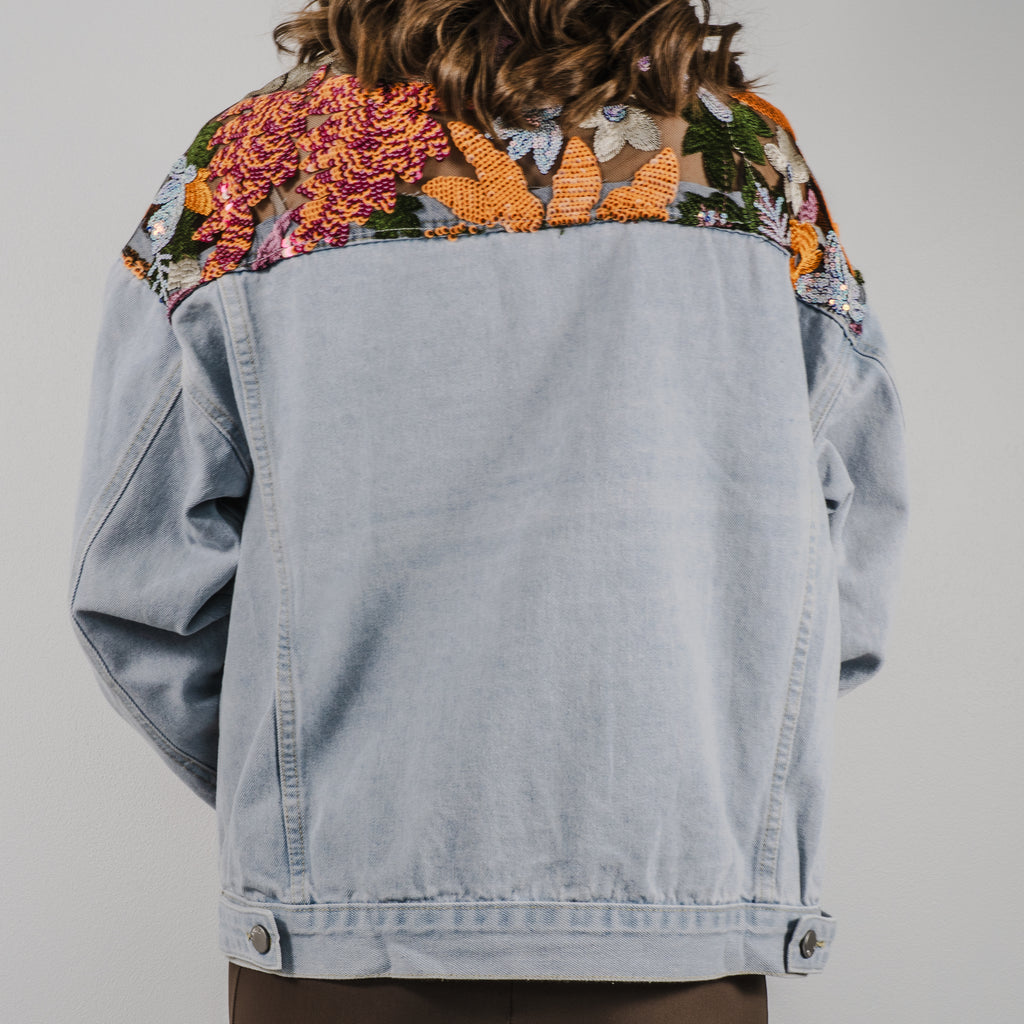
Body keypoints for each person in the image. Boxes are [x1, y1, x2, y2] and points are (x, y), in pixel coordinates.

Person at [67, 1, 910, 1021]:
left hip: (342, 940)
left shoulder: (253, 165)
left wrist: (306, 785)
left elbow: (132, 572)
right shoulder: (740, 163)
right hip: (677, 925)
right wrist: (717, 755)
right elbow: (850, 552)